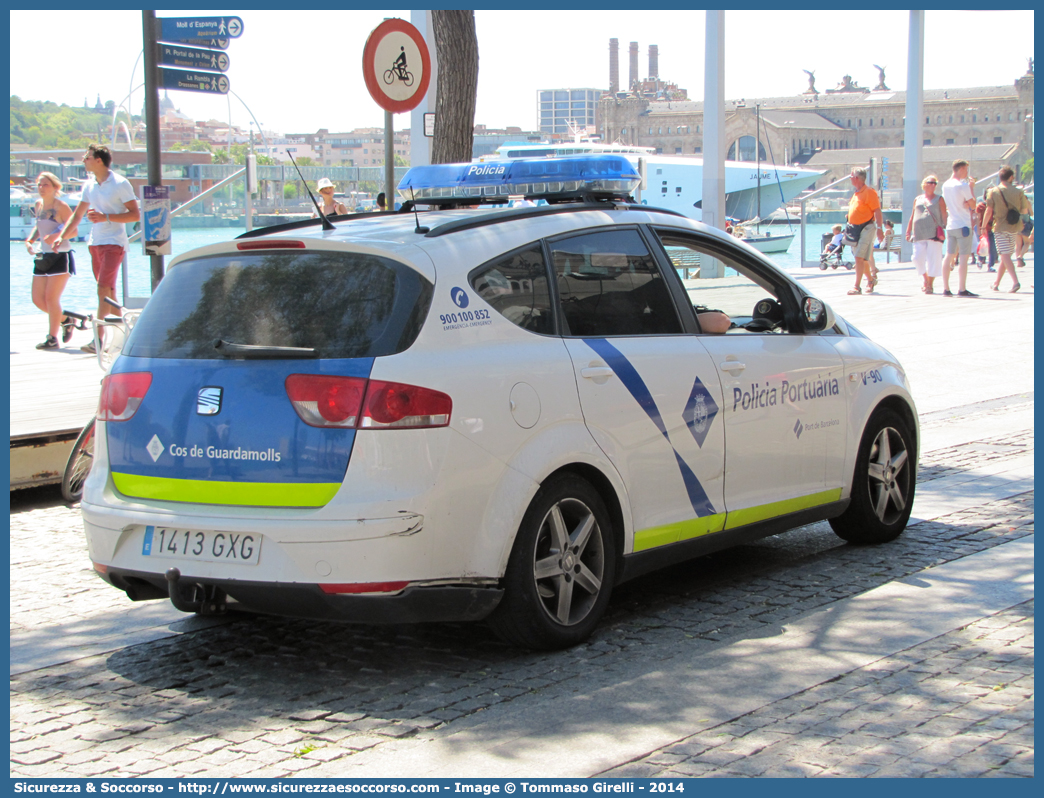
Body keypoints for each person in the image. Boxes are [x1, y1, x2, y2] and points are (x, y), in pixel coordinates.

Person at [50, 145, 140, 352]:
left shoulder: (119, 183)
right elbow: (77, 214)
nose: (84, 160)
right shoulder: (90, 186)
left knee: (102, 289)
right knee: (108, 292)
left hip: (114, 243)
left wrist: (105, 217)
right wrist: (62, 236)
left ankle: (98, 341)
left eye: (87, 157)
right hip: (95, 243)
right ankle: (132, 334)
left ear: (99, 160)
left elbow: (135, 214)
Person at [25, 172, 77, 349]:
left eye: (45, 184)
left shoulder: (61, 207)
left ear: (55, 187)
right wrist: (30, 240)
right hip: (42, 256)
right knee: (38, 300)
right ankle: (66, 319)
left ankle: (52, 338)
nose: (41, 188)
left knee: (51, 298)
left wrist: (56, 236)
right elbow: (39, 226)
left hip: (60, 256)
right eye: (39, 184)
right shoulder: (39, 205)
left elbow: (75, 231)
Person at [982, 166, 1030, 293]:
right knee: (1006, 255)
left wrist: (983, 225)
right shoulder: (1019, 191)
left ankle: (1015, 282)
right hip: (1015, 226)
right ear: (1011, 177)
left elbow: (989, 210)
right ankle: (996, 283)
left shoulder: (993, 191)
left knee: (1004, 254)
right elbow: (1024, 211)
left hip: (1000, 226)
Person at [940, 159, 978, 297]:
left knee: (949, 255)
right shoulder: (963, 186)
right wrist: (972, 188)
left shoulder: (945, 185)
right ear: (961, 169)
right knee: (963, 257)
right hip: (963, 224)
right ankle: (962, 288)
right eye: (966, 170)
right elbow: (973, 205)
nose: (966, 173)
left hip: (951, 224)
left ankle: (946, 288)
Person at [844, 167, 884, 295]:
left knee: (859, 257)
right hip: (854, 229)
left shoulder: (869, 192)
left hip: (867, 227)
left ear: (856, 178)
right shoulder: (856, 193)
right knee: (861, 258)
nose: (850, 178)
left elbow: (877, 211)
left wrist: (879, 229)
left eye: (851, 176)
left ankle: (857, 286)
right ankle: (871, 280)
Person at [905, 174, 947, 295]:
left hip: (934, 232)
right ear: (924, 184)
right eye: (930, 182)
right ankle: (925, 278)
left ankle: (930, 284)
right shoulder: (917, 199)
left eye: (935, 183)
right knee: (917, 258)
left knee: (933, 259)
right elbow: (913, 216)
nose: (933, 185)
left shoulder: (939, 199)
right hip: (918, 232)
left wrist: (946, 227)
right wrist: (908, 231)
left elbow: (944, 214)